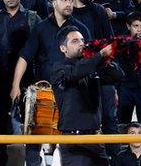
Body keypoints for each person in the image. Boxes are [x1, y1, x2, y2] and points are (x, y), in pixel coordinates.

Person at [10, 0, 90, 166]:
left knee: (71, 140)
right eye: (64, 0)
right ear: (54, 3)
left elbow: (90, 62)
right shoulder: (40, 28)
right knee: (35, 138)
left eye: (71, 0)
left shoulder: (80, 30)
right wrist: (15, 85)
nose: (69, 4)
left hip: (72, 94)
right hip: (44, 93)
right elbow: (25, 57)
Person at [52, 25, 123, 166]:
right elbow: (75, 73)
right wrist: (99, 55)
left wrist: (105, 60)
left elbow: (118, 75)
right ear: (63, 48)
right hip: (74, 142)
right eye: (75, 41)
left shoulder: (92, 66)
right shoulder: (59, 68)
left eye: (82, 40)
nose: (81, 44)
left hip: (95, 139)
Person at [0, 0, 40, 164]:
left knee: (32, 125)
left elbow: (39, 50)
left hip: (28, 79)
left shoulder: (33, 18)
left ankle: (33, 162)